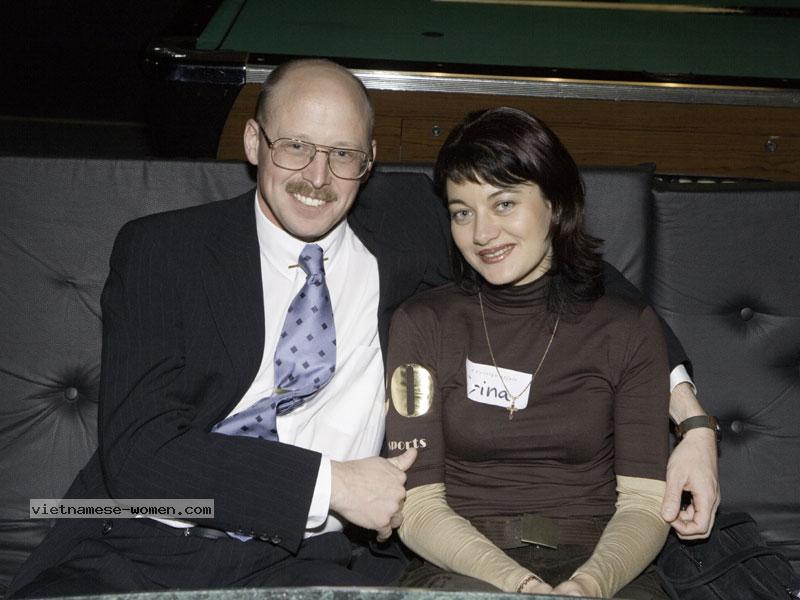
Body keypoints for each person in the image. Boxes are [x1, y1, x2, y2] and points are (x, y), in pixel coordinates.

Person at [8, 59, 716, 598]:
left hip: (312, 563)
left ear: (369, 161)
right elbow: (140, 454)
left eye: (342, 154)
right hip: (145, 539)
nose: (317, 177)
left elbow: (577, 266)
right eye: (295, 146)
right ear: (254, 141)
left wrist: (691, 419)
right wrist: (328, 485)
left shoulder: (409, 227)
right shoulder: (164, 249)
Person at [385, 107, 709, 599]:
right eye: (462, 212)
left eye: (504, 204)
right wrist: (519, 585)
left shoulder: (627, 327)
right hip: (460, 561)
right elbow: (418, 505)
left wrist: (589, 585)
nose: (481, 234)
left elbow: (644, 504)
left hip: (604, 560)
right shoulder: (423, 323)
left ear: (555, 203)